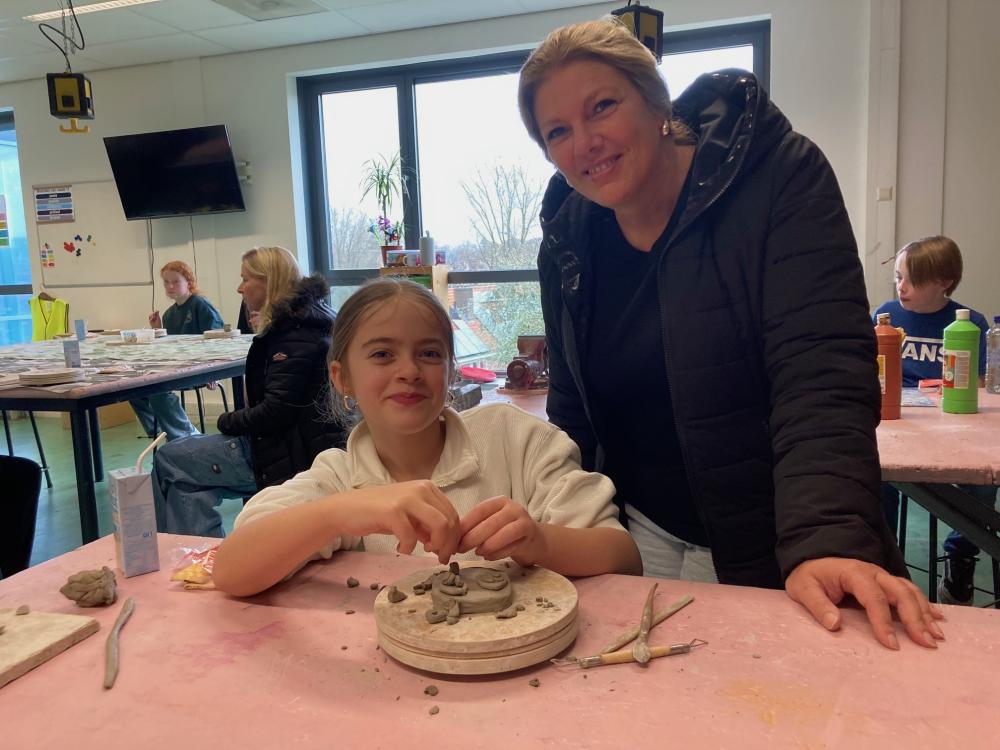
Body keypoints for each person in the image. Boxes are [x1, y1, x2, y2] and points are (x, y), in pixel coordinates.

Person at [517, 19, 942, 650]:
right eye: (557, 131)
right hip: (637, 538)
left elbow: (820, 376)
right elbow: (573, 412)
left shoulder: (778, 176)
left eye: (602, 106)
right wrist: (566, 532)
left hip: (783, 540)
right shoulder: (568, 237)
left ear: (656, 101)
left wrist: (826, 540)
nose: (584, 141)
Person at [212, 278, 641, 596]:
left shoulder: (515, 438)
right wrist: (339, 514)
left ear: (451, 372)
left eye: (429, 354)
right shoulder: (338, 478)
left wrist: (540, 542)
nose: (409, 371)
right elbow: (231, 570)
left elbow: (624, 558)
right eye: (382, 354)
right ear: (342, 378)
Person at [152, 246, 346, 538]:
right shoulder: (309, 319)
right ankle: (197, 554)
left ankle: (185, 553)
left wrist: (226, 421)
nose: (239, 288)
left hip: (289, 453)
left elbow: (275, 412)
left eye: (245, 279)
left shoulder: (294, 332)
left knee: (169, 458)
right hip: (298, 443)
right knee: (184, 483)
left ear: (269, 282)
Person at [874, 236, 994, 605]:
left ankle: (961, 555)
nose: (901, 287)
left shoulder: (970, 323)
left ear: (944, 282)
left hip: (949, 424)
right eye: (898, 277)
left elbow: (979, 386)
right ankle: (886, 557)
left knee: (982, 479)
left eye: (912, 280)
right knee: (876, 474)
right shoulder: (885, 317)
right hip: (896, 423)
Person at [130, 260, 223, 441]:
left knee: (158, 391)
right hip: (176, 367)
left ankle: (186, 436)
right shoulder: (168, 314)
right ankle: (159, 431)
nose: (170, 286)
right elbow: (170, 348)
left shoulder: (200, 304)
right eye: (166, 282)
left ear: (189, 282)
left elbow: (217, 338)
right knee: (132, 388)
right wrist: (158, 330)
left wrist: (214, 370)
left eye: (175, 281)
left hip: (198, 367)